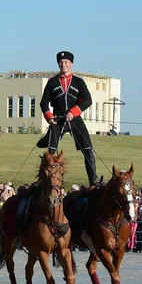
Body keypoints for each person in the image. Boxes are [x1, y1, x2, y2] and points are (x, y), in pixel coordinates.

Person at [37, 51, 97, 187]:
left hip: (74, 119)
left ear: (71, 64)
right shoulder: (52, 82)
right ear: (58, 64)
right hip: (57, 119)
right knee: (50, 153)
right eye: (61, 62)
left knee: (88, 149)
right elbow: (43, 103)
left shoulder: (79, 82)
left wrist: (74, 112)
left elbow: (88, 100)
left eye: (66, 62)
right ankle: (41, 181)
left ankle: (94, 183)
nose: (63, 64)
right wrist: (49, 116)